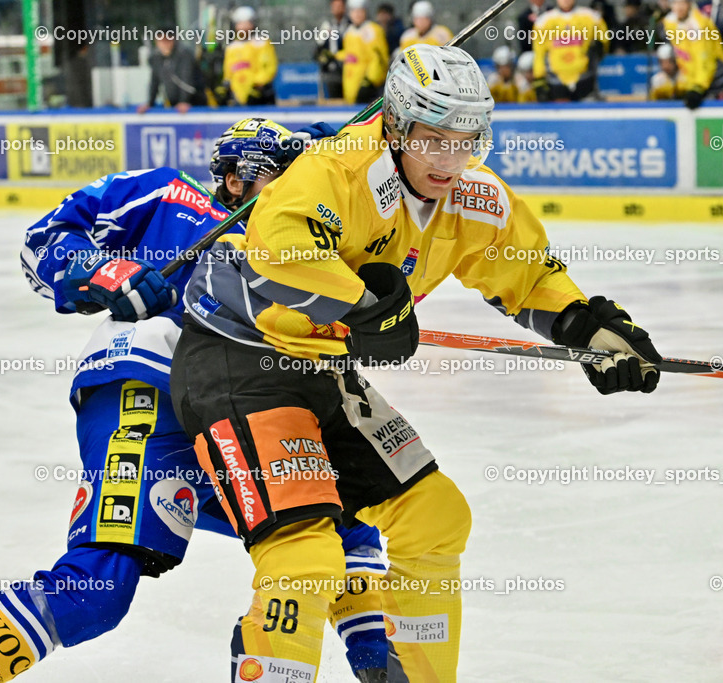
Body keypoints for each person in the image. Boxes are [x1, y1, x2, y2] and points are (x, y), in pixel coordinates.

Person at [171, 43, 662, 682]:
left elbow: (526, 272)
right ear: (398, 126)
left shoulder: (472, 195)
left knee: (434, 519)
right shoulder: (339, 167)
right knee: (305, 559)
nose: (449, 161)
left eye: (466, 142)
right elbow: (277, 247)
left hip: (325, 370)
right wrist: (363, 307)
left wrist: (589, 327)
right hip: (243, 362)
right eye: (434, 140)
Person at [0, 118, 391, 683]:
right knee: (96, 591)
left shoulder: (304, 247)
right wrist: (103, 271)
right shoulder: (168, 195)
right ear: (234, 178)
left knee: (345, 522)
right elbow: (43, 239)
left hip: (247, 410)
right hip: (150, 387)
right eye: (281, 178)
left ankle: (381, 669)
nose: (300, 194)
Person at [532, 0, 610, 101]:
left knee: (587, 109)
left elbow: (604, 41)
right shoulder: (543, 21)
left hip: (585, 77)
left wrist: (599, 49)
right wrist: (539, 77)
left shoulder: (591, 17)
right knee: (561, 110)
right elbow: (539, 53)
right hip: (556, 78)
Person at [661, 0, 723, 108]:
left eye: (682, 3)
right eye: (675, 3)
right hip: (690, 79)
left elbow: (704, 60)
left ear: (689, 4)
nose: (679, 7)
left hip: (712, 77)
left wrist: (698, 87)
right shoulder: (669, 23)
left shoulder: (699, 25)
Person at [218, 6, 278, 105]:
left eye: (246, 23)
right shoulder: (232, 47)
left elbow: (269, 68)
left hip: (259, 95)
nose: (243, 27)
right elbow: (228, 71)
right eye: (240, 23)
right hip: (237, 96)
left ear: (252, 24)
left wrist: (257, 84)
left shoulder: (262, 43)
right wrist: (226, 85)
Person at [138, 32, 206, 113]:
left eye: (167, 41)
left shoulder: (184, 54)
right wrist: (150, 103)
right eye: (161, 41)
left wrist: (184, 101)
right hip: (174, 104)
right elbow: (154, 82)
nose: (164, 44)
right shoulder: (156, 58)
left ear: (173, 40)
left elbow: (186, 78)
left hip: (194, 104)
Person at [338, 0, 389, 104]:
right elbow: (350, 54)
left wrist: (370, 80)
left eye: (360, 11)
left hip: (368, 88)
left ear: (365, 11)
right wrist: (334, 56)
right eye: (354, 11)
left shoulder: (373, 30)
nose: (357, 14)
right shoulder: (349, 32)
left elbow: (379, 58)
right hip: (351, 86)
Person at [315, 0, 350, 99]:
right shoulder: (327, 26)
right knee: (333, 98)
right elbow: (318, 49)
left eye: (340, 6)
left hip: (349, 69)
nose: (337, 9)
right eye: (335, 6)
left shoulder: (350, 25)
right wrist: (325, 58)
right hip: (332, 71)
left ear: (344, 7)